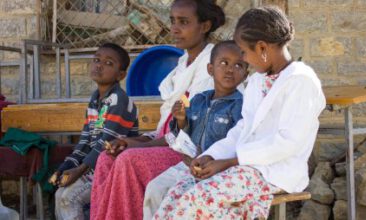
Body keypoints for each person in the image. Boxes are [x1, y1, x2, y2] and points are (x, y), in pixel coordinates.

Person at [152, 6, 326, 220]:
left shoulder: (301, 81)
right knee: (176, 193)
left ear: (262, 48)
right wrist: (211, 155)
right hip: (245, 165)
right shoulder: (257, 81)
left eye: (244, 52)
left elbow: (287, 143)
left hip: (276, 171)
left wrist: (230, 162)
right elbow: (243, 129)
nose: (244, 58)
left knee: (198, 199)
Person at [90, 0, 226, 219]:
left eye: (184, 22)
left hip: (191, 153)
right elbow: (165, 128)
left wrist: (138, 145)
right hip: (166, 144)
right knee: (107, 158)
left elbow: (191, 133)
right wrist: (135, 141)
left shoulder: (214, 66)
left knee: (128, 159)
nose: (174, 28)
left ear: (205, 26)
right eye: (172, 21)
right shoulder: (182, 65)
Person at [143, 40, 248, 219]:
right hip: (187, 165)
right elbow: (181, 135)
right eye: (224, 63)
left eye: (238, 65)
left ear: (246, 74)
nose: (230, 69)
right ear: (210, 69)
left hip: (217, 170)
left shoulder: (241, 105)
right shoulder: (198, 99)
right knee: (154, 189)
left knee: (184, 202)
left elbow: (239, 142)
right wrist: (181, 120)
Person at [53, 43, 138, 220]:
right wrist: (65, 167)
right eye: (96, 60)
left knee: (69, 198)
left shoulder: (118, 100)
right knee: (59, 194)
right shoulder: (94, 101)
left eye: (108, 63)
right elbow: (84, 141)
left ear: (120, 75)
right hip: (93, 167)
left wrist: (79, 170)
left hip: (113, 168)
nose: (99, 65)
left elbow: (106, 142)